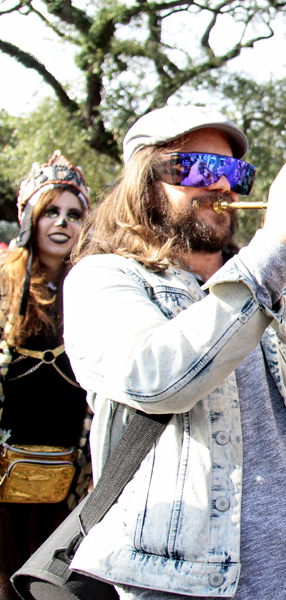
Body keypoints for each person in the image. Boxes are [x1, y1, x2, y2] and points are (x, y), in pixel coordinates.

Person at [62, 105, 286, 599]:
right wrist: (273, 249)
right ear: (144, 180)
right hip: (186, 585)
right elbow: (159, 380)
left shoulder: (281, 280)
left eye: (235, 172)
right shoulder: (105, 279)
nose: (222, 186)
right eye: (199, 168)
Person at [0, 152, 91, 599]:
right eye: (51, 211)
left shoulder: (93, 286)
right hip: (6, 463)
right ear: (29, 218)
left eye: (74, 215)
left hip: (71, 469)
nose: (62, 223)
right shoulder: (4, 282)